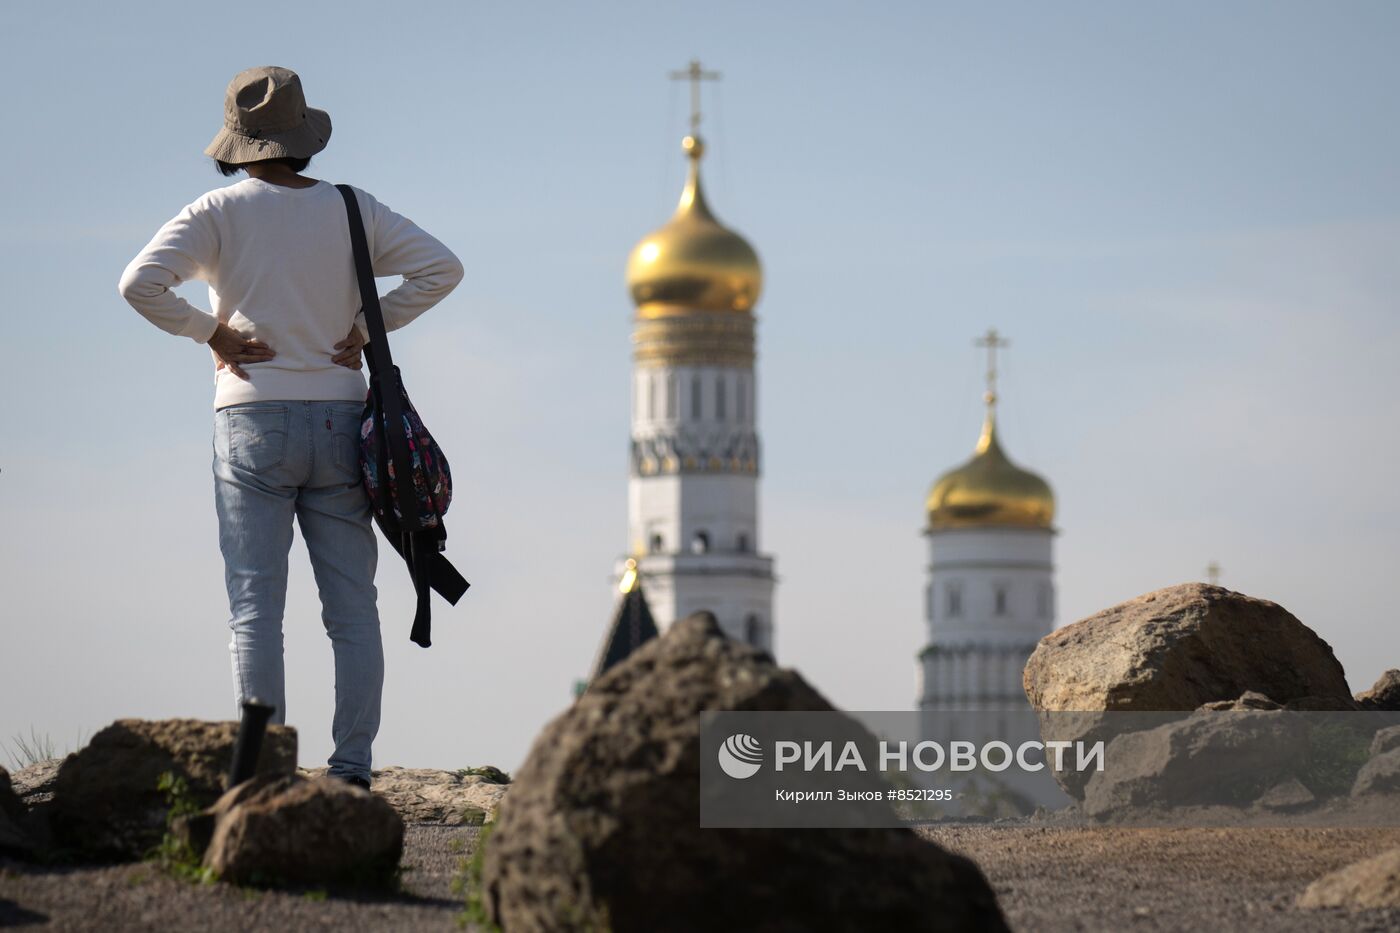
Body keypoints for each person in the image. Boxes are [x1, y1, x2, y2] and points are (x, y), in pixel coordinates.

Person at [118, 65, 464, 788]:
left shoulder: (215, 210)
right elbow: (441, 268)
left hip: (249, 417)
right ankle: (353, 770)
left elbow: (138, 283)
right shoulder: (350, 208)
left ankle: (264, 775)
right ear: (303, 138)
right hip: (344, 419)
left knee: (255, 605)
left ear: (235, 142)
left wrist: (209, 332)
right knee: (352, 608)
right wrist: (368, 327)